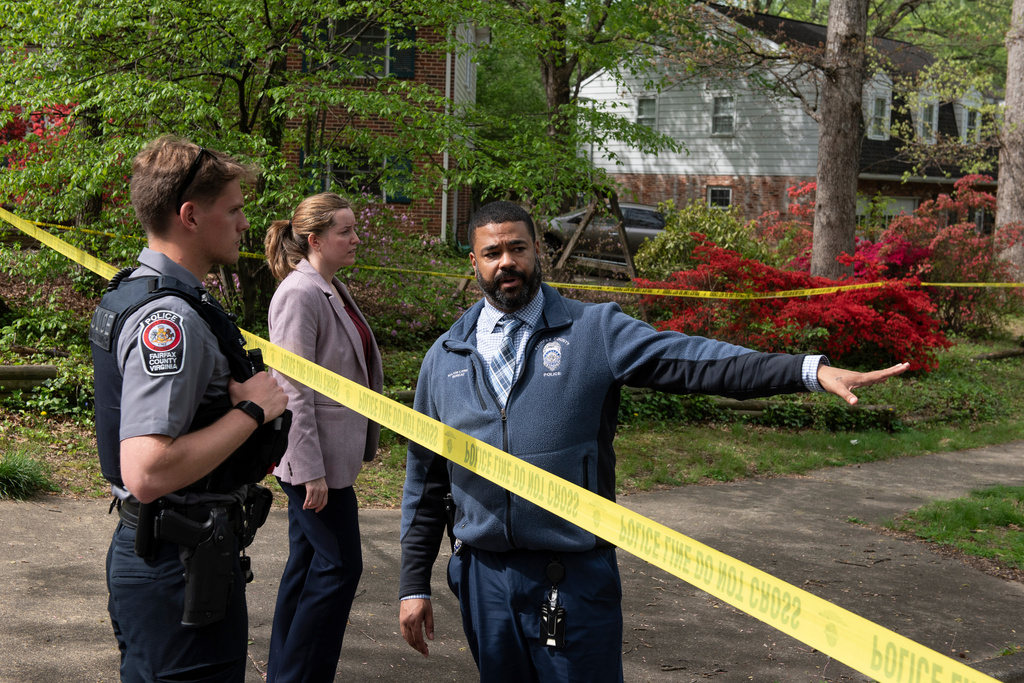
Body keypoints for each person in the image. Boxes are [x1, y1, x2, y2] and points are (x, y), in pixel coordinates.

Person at [397, 200, 909, 682]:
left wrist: (807, 370)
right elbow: (425, 480)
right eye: (492, 253)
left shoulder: (593, 331)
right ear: (474, 262)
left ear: (538, 252)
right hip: (483, 579)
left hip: (570, 576)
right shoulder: (445, 357)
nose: (506, 262)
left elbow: (695, 361)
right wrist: (414, 583)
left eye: (518, 249)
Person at [90, 135, 290, 682]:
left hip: (172, 558)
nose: (245, 223)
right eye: (235, 209)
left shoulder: (136, 290)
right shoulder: (170, 322)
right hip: (176, 567)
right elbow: (147, 470)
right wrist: (254, 412)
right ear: (190, 216)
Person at [263, 192, 384, 683]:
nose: (356, 238)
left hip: (330, 463)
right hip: (315, 468)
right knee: (339, 570)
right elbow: (292, 387)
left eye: (355, 229)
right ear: (315, 240)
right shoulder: (299, 293)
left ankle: (283, 674)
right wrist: (309, 468)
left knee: (308, 567)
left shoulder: (327, 286)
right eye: (345, 231)